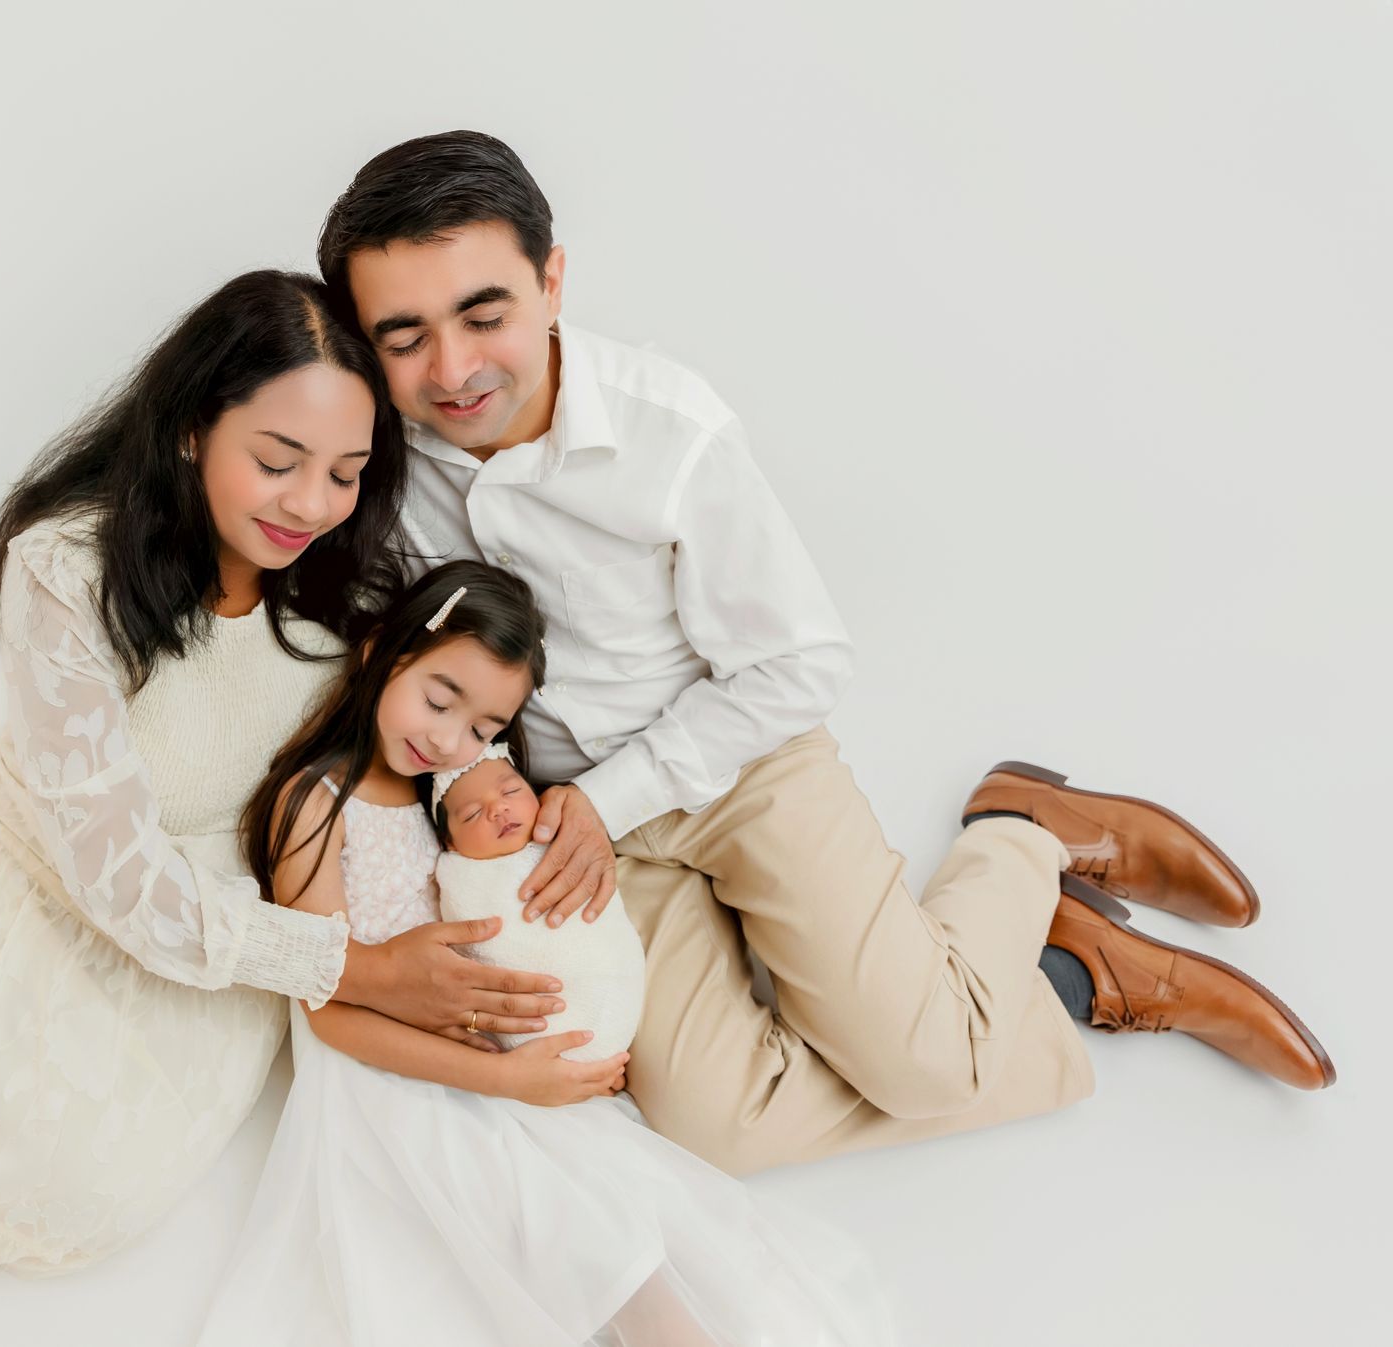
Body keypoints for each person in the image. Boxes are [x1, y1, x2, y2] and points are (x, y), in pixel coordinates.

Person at [312, 131, 1335, 1177]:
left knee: (927, 1070)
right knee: (709, 1126)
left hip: (736, 762)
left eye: (485, 315)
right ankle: (1064, 974)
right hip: (570, 830)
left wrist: (612, 799)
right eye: (403, 337)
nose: (453, 369)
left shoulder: (672, 431)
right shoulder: (362, 464)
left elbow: (796, 666)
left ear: (552, 282)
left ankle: (1020, 838)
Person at [0, 270, 566, 1316]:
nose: (311, 505)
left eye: (345, 472)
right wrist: (353, 968)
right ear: (194, 428)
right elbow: (114, 874)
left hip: (228, 924)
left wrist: (549, 805)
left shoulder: (347, 588)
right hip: (59, 879)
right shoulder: (66, 569)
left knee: (106, 1186)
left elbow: (452, 714)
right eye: (278, 462)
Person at [201, 562, 891, 1347]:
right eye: (437, 699)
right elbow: (326, 1009)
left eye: (484, 730)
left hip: (488, 1060)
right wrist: (504, 1076)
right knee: (547, 1212)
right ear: (378, 656)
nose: (448, 740)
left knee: (618, 1201)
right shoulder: (315, 804)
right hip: (392, 1081)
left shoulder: (453, 800)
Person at [431, 740, 646, 1062]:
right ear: (450, 844)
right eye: (474, 813)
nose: (498, 809)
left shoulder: (567, 832)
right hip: (531, 1024)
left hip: (612, 991)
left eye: (511, 792)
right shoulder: (460, 877)